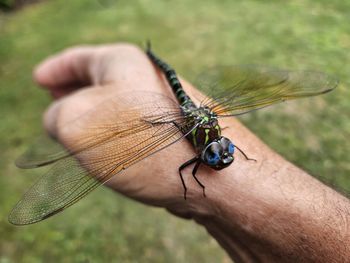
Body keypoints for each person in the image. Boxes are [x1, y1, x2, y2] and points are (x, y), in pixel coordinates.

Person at [34, 43, 350, 262]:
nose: (223, 159)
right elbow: (187, 173)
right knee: (184, 165)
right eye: (219, 154)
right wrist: (193, 192)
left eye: (223, 152)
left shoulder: (215, 133)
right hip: (179, 108)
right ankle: (152, 56)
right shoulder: (181, 131)